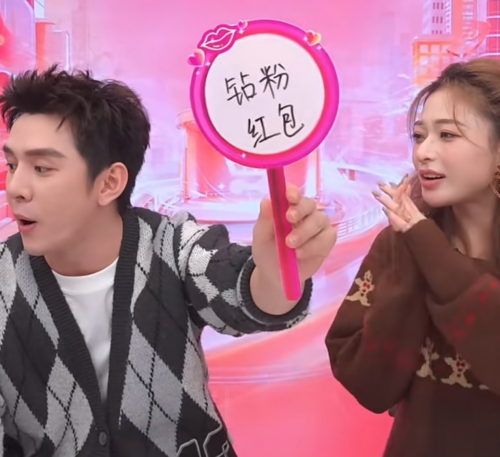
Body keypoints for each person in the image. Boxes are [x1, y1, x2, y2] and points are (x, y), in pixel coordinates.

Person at [0, 66, 336, 457]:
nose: (15, 188)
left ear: (109, 183)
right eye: (12, 165)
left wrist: (278, 275)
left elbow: (244, 292)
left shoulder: (173, 247)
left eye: (42, 168)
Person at [326, 57, 500, 457]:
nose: (423, 152)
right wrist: (411, 252)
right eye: (419, 136)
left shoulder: (417, 239)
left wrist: (427, 247)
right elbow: (370, 386)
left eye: (447, 135)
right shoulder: (398, 244)